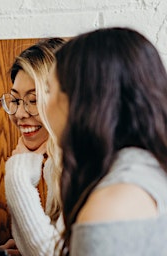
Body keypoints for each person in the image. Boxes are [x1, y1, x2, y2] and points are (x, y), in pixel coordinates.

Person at [45, 27, 167, 255]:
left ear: (81, 102)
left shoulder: (112, 205)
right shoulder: (148, 169)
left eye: (48, 90)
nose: (45, 105)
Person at [0, 38, 65, 256]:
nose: (19, 113)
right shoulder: (56, 165)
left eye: (33, 100)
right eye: (15, 100)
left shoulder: (88, 165)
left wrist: (17, 177)